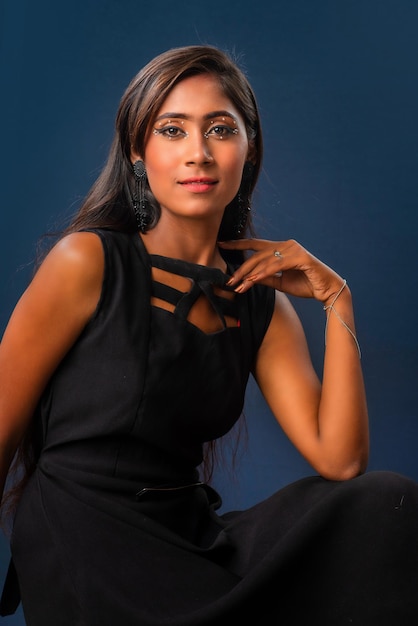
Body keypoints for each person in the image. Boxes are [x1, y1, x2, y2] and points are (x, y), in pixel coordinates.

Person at [0, 44, 417, 626]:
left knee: (385, 505)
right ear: (137, 153)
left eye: (220, 130)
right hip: (85, 538)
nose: (198, 153)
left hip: (189, 537)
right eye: (172, 130)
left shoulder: (259, 304)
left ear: (248, 151)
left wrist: (335, 299)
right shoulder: (87, 262)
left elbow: (342, 460)